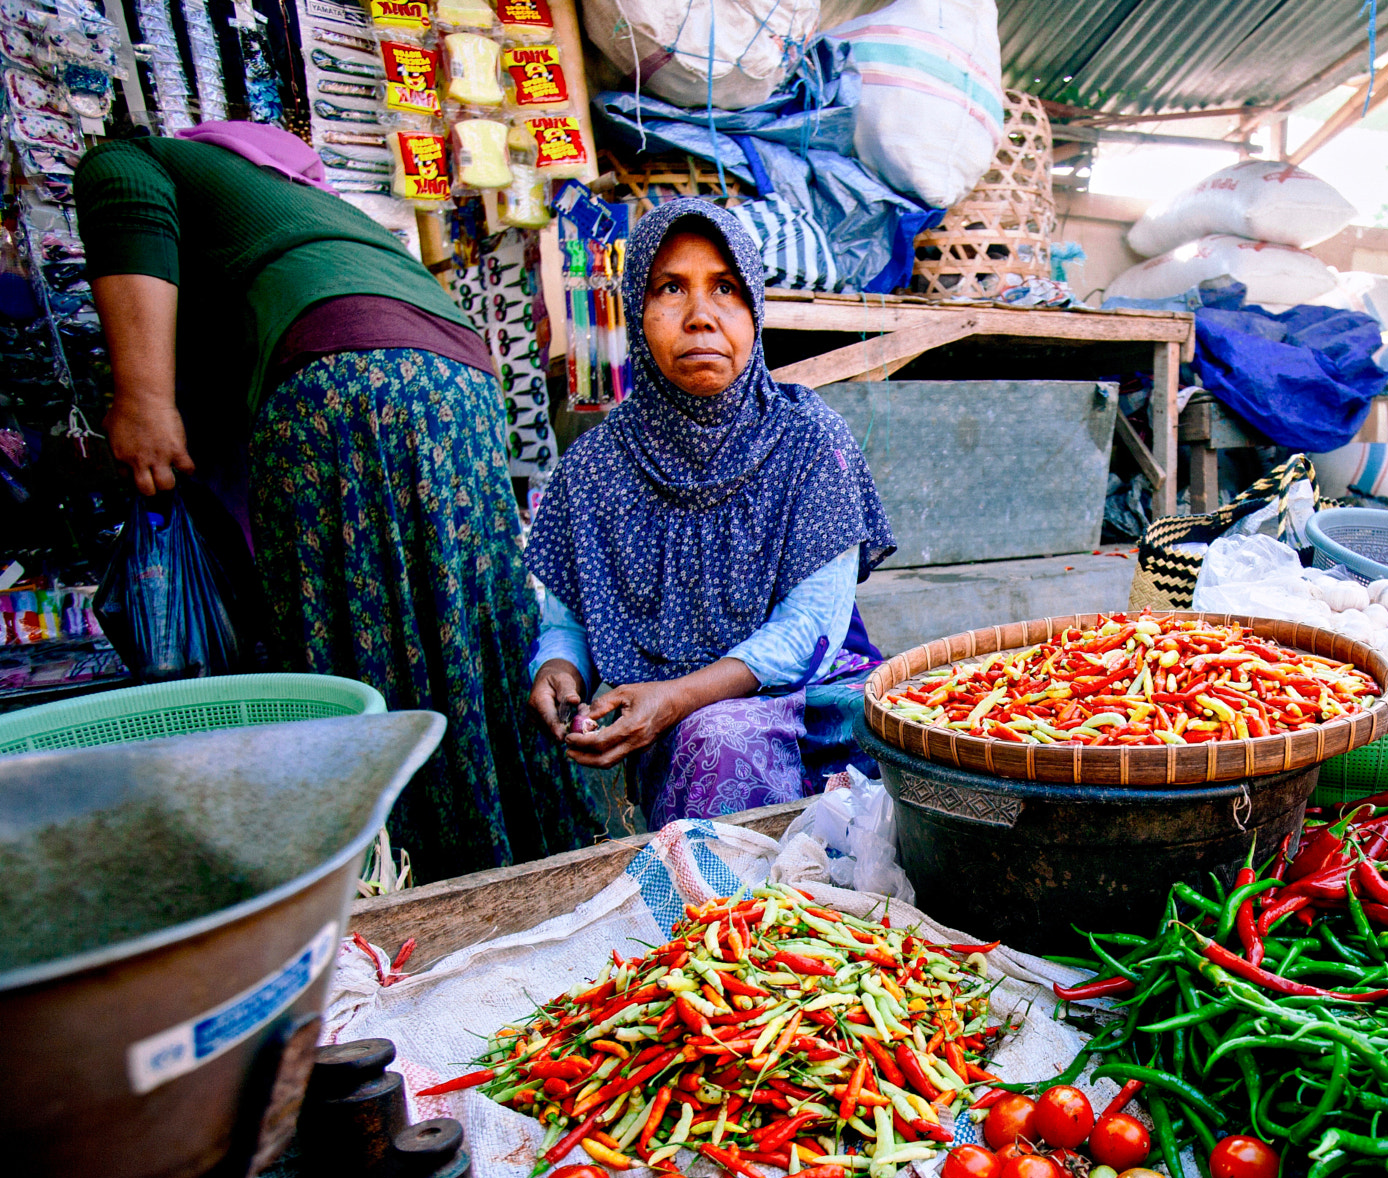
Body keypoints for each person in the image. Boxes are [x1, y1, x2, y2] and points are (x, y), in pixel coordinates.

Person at [75, 122, 600, 882]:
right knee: (469, 643)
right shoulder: (296, 211)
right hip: (459, 380)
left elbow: (118, 183)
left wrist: (144, 396)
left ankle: (405, 885)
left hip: (351, 375)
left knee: (357, 652)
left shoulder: (144, 157)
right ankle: (532, 872)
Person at [524, 198, 894, 825]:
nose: (700, 317)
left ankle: (746, 915)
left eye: (725, 288)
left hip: (819, 703)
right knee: (699, 736)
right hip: (658, 715)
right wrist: (558, 667)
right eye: (671, 288)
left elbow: (810, 628)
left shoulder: (809, 439)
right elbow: (566, 621)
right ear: (638, 314)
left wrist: (679, 699)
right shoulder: (591, 470)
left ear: (755, 309)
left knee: (716, 736)